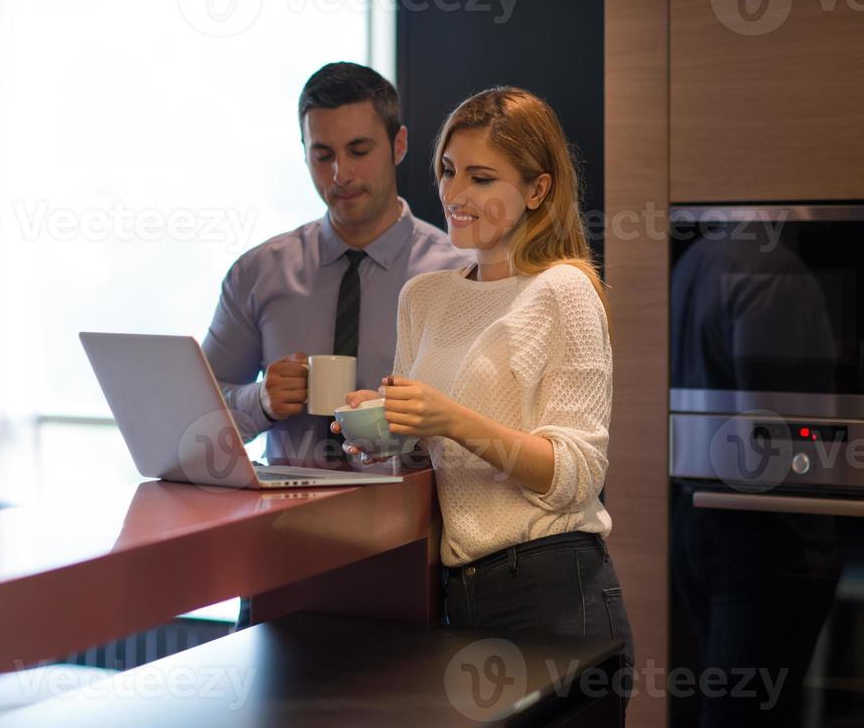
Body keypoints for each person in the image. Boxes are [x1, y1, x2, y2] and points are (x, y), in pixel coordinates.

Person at [338, 86, 635, 693]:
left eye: (480, 177)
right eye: (448, 171)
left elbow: (575, 474)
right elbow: (430, 450)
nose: (452, 194)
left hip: (554, 592)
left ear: (537, 190)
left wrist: (448, 417)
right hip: (458, 593)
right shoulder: (424, 297)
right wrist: (385, 432)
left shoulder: (564, 290)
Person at [202, 62, 469, 470]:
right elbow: (197, 415)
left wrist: (415, 420)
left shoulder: (459, 275)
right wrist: (259, 401)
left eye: (359, 151)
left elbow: (490, 420)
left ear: (398, 145)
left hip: (412, 523)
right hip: (284, 523)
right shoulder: (258, 273)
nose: (341, 174)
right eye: (323, 155)